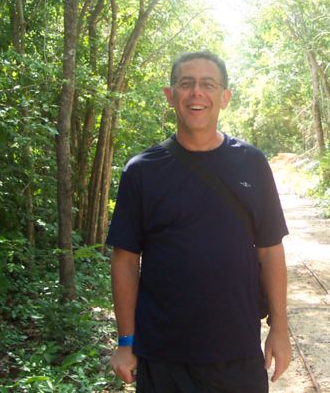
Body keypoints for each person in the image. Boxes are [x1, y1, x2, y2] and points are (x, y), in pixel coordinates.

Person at [107, 51, 291, 392]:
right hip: (163, 357)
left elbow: (270, 251)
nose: (197, 93)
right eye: (186, 83)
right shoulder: (142, 170)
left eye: (208, 84)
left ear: (225, 97)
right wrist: (125, 342)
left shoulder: (251, 163)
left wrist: (279, 329)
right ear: (170, 95)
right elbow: (125, 260)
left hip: (237, 352)